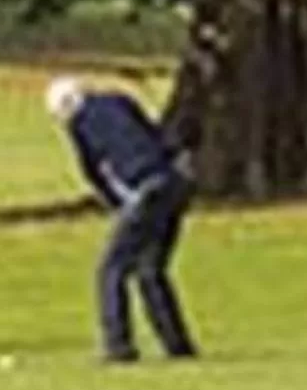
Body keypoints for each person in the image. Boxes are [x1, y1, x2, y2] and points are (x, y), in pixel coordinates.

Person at [46, 77, 197, 363]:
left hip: (144, 192)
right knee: (151, 269)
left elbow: (94, 173)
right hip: (172, 185)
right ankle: (178, 345)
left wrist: (118, 206)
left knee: (110, 270)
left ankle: (118, 346)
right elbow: (158, 137)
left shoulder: (79, 124)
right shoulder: (118, 100)